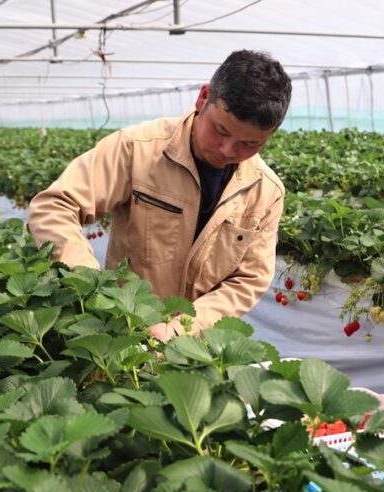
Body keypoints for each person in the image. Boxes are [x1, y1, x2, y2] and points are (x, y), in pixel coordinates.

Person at [27, 49, 292, 341]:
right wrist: (91, 285)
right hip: (122, 331)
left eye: (249, 144)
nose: (227, 150)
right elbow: (54, 206)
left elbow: (248, 279)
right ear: (203, 97)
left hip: (196, 344)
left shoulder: (266, 191)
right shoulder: (137, 148)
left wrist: (184, 328)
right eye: (220, 130)